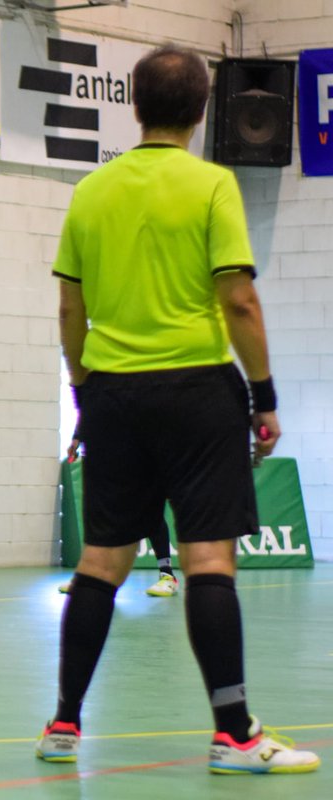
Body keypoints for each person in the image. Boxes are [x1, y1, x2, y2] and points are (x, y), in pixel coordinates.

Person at [36, 46, 319, 774]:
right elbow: (238, 298)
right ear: (201, 111)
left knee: (101, 562)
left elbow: (70, 305)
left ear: (134, 105)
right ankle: (233, 734)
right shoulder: (212, 185)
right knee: (208, 560)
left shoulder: (91, 192)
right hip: (197, 394)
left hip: (112, 393)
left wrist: (82, 386)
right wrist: (264, 396)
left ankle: (63, 725)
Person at [59, 436, 178, 598]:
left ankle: (167, 575)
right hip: (106, 449)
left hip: (142, 449)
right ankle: (92, 576)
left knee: (149, 509)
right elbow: (92, 410)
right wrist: (77, 438)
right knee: (104, 511)